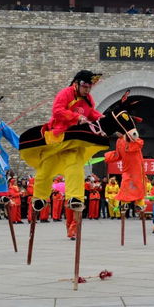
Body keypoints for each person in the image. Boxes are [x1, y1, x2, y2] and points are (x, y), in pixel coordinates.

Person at [25, 70, 104, 215]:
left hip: (75, 139)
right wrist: (76, 117)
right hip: (58, 136)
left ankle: (75, 197)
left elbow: (91, 113)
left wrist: (102, 118)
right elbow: (57, 111)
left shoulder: (89, 99)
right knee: (46, 167)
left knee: (75, 166)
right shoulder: (66, 93)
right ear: (77, 84)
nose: (87, 90)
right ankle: (40, 197)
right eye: (85, 87)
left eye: (90, 87)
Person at [104, 132, 146, 212]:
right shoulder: (118, 141)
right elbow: (118, 155)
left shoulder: (130, 136)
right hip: (126, 168)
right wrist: (107, 157)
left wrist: (130, 140)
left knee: (137, 184)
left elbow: (139, 144)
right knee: (124, 183)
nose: (117, 133)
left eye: (118, 131)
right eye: (116, 132)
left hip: (136, 167)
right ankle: (124, 203)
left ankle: (140, 204)